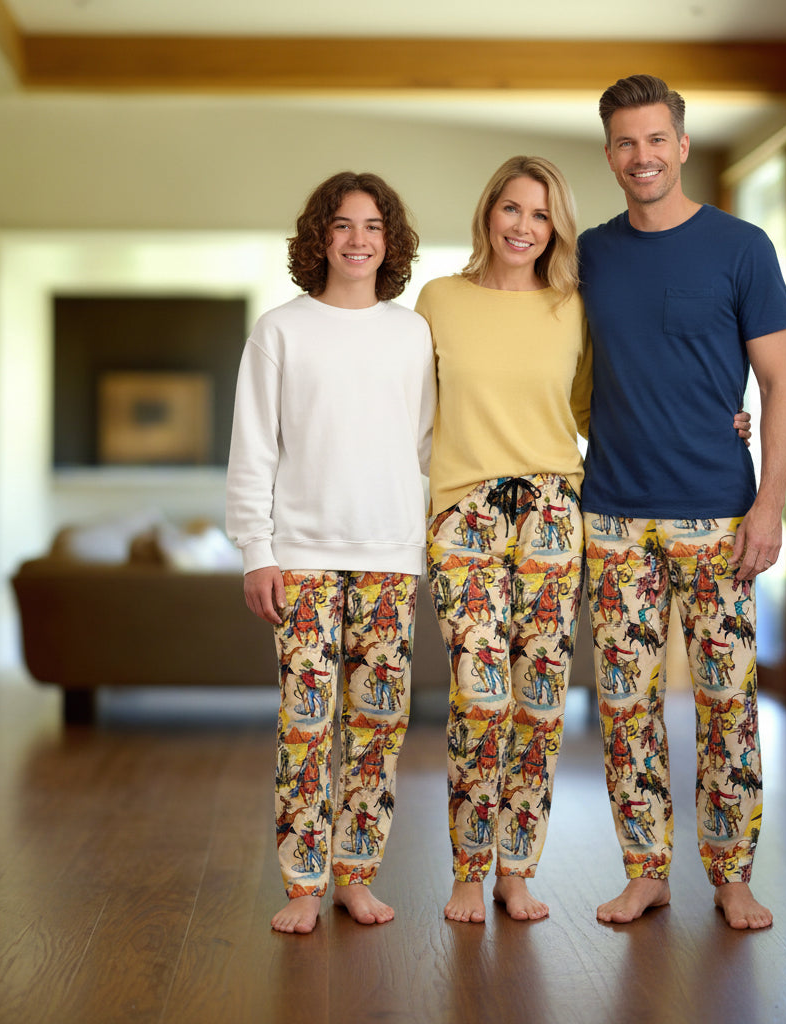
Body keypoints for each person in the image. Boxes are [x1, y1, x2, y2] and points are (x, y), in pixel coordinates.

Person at [417, 155, 750, 925]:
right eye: (511, 209)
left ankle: (515, 871)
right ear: (487, 212)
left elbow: (609, 403)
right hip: (463, 515)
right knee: (481, 695)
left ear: (556, 227)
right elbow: (410, 412)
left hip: (558, 513)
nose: (523, 227)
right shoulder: (437, 300)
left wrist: (718, 426)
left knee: (538, 706)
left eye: (540, 215)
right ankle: (470, 869)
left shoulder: (573, 306)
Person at [578, 74, 786, 930]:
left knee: (725, 705)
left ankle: (732, 877)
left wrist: (769, 504)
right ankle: (646, 873)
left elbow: (781, 383)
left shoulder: (742, 248)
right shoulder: (591, 252)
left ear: (679, 141)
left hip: (718, 515)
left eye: (656, 139)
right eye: (626, 143)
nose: (643, 156)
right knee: (626, 708)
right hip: (612, 519)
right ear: (611, 155)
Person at [226, 171, 435, 934]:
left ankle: (356, 875)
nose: (357, 239)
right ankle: (304, 882)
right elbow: (252, 448)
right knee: (305, 726)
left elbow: (426, 445)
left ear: (391, 240)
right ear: (320, 237)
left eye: (373, 226)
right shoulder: (280, 329)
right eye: (342, 225)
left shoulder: (412, 333)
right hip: (303, 556)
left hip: (390, 553)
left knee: (379, 725)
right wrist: (257, 549)